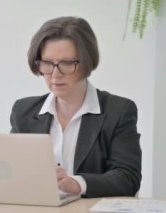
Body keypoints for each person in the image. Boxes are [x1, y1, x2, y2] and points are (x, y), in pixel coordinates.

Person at [10, 16, 141, 198]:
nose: (55, 74)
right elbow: (12, 171)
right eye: (47, 63)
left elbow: (128, 178)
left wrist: (78, 183)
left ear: (87, 61)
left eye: (67, 63)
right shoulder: (23, 111)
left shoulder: (118, 111)